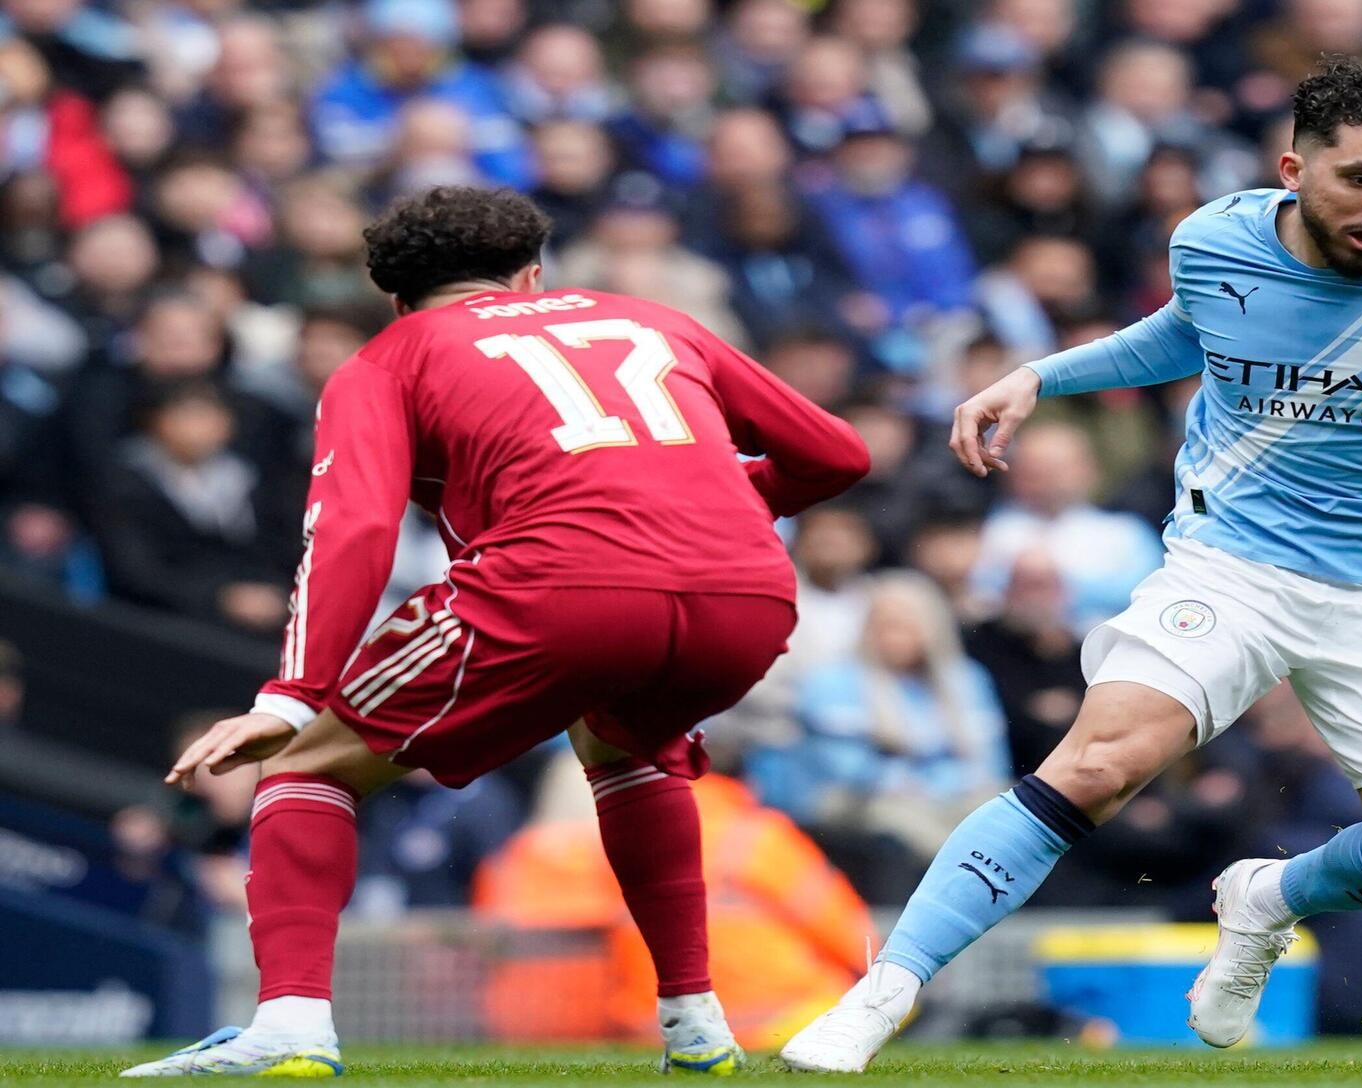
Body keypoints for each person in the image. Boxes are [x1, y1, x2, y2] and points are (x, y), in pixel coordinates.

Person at [781, 57, 1362, 1072]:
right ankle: (881, 993)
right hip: (1234, 562)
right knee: (1099, 761)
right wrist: (1037, 375)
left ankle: (1270, 895)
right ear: (1295, 168)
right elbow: (1185, 336)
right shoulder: (1213, 239)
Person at [119, 185, 869, 1077]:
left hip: (561, 588)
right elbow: (837, 454)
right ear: (529, 275)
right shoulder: (651, 319)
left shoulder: (388, 358)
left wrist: (291, 695)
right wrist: (711, 506)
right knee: (627, 748)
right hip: (748, 595)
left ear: (398, 297)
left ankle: (289, 1027)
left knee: (306, 766)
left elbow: (353, 530)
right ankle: (696, 1023)